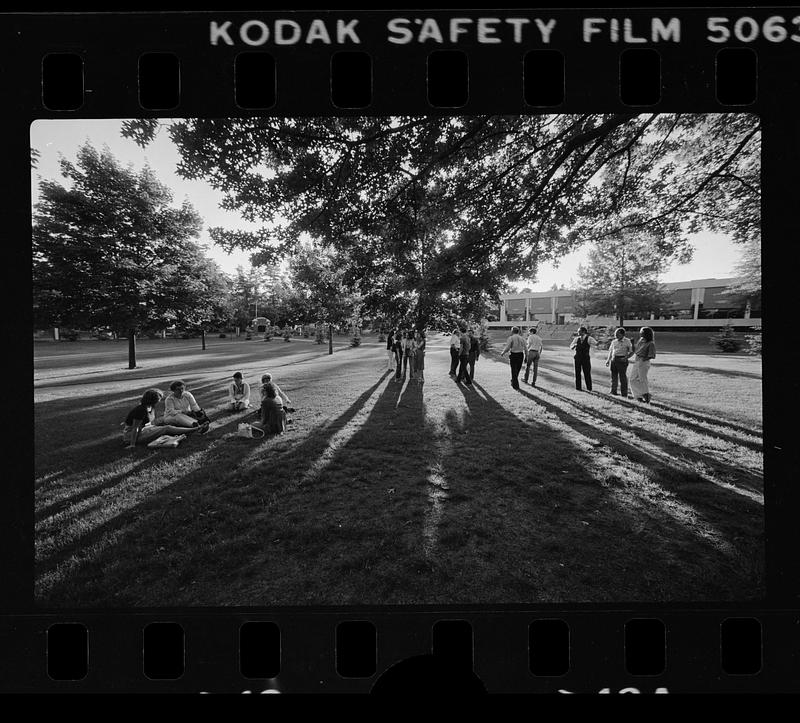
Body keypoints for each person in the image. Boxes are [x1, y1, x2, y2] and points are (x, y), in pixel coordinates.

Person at [122, 388, 207, 448]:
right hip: (131, 436)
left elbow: (150, 422)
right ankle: (195, 429)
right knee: (166, 428)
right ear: (154, 399)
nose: (160, 400)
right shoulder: (141, 410)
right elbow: (135, 428)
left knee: (166, 422)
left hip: (144, 429)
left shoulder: (150, 407)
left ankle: (193, 426)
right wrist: (132, 444)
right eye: (159, 398)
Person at [628, 326, 657, 403]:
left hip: (643, 362)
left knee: (642, 379)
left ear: (646, 333)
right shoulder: (641, 340)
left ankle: (646, 395)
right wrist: (632, 343)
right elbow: (635, 350)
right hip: (637, 361)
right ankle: (638, 395)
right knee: (632, 379)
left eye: (642, 332)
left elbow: (652, 355)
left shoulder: (651, 343)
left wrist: (643, 360)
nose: (640, 333)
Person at [605, 327, 633, 396]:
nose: (615, 335)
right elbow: (611, 351)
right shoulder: (614, 341)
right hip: (614, 360)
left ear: (622, 334)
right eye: (615, 334)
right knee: (613, 376)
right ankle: (613, 391)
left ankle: (624, 393)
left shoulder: (627, 341)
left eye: (617, 334)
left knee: (622, 377)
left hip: (622, 360)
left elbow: (631, 352)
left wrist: (626, 358)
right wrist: (608, 360)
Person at [570, 326, 597, 392]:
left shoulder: (589, 338)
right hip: (577, 358)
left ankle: (589, 388)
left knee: (587, 373)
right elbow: (571, 346)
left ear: (583, 332)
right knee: (577, 373)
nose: (578, 332)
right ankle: (578, 387)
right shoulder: (576, 339)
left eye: (579, 331)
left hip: (585, 358)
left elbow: (596, 344)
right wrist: (574, 346)